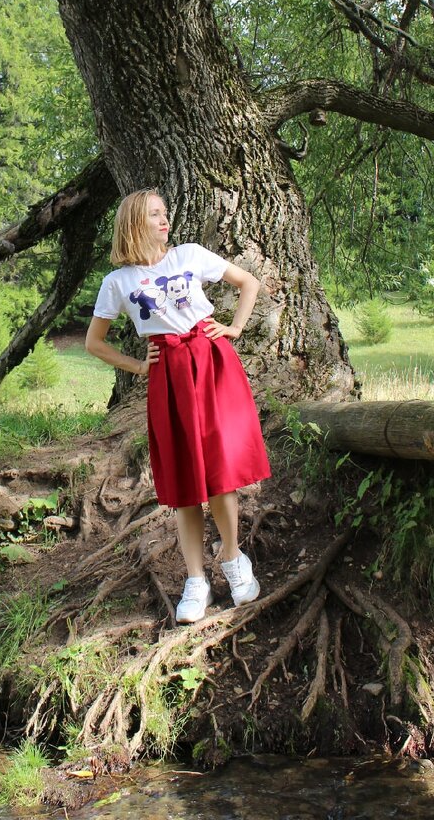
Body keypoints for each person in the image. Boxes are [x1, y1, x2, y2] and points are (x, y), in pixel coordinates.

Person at [85, 189, 271, 624]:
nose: (165, 221)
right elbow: (94, 342)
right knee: (185, 478)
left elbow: (249, 282)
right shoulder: (118, 282)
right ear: (135, 222)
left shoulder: (188, 255)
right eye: (155, 215)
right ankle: (195, 580)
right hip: (167, 374)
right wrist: (137, 366)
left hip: (211, 363)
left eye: (165, 213)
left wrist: (236, 328)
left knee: (221, 471)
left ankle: (233, 560)